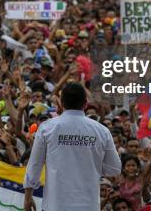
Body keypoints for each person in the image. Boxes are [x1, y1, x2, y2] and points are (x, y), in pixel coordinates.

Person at [23, 82, 121, 210]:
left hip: (55, 205)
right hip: (88, 206)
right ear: (86, 104)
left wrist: (28, 197)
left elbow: (34, 165)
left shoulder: (47, 128)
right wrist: (91, 167)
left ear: (61, 103)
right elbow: (114, 168)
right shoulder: (102, 131)